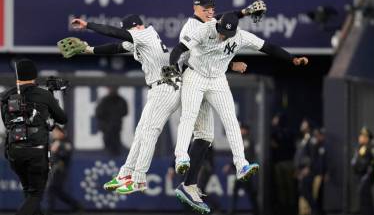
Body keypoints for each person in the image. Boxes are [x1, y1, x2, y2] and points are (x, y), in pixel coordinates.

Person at [70, 13, 245, 197]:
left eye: (127, 30)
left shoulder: (144, 33)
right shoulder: (140, 38)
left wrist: (88, 25)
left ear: (136, 27)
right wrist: (89, 50)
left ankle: (138, 179)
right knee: (141, 132)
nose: (126, 33)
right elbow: (116, 47)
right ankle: (125, 174)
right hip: (161, 87)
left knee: (149, 132)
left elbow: (115, 34)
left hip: (166, 87)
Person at [169, 12, 308, 209]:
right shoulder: (205, 29)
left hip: (217, 80)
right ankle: (181, 155)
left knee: (231, 120)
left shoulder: (241, 36)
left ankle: (241, 164)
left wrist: (291, 59)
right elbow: (179, 48)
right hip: (195, 75)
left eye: (228, 34)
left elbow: (268, 47)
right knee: (189, 116)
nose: (223, 36)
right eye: (221, 31)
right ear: (218, 24)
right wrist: (172, 66)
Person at [172, 0, 266, 213]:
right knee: (175, 122)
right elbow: (191, 51)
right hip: (187, 76)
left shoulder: (212, 23)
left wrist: (245, 12)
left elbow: (223, 24)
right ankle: (179, 160)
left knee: (206, 137)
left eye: (212, 8)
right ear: (195, 8)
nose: (210, 11)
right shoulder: (193, 28)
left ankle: (189, 185)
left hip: (208, 77)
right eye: (205, 8)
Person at [0, 59, 67, 215]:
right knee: (36, 194)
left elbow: (6, 123)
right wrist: (52, 101)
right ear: (35, 75)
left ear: (18, 77)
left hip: (14, 152)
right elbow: (63, 119)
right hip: (36, 152)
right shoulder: (44, 95)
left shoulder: (5, 96)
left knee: (29, 193)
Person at [46, 125, 83, 215]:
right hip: (53, 170)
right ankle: (76, 205)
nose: (53, 134)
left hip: (60, 170)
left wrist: (59, 146)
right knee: (56, 190)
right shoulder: (53, 142)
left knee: (53, 188)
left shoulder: (65, 142)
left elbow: (67, 151)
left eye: (55, 132)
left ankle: (50, 210)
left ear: (61, 132)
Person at [223, 124, 259, 215]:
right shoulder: (242, 140)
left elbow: (246, 156)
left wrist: (232, 165)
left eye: (242, 129)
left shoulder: (247, 140)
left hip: (245, 171)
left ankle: (257, 211)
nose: (241, 131)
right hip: (241, 171)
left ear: (246, 130)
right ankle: (232, 211)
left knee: (250, 193)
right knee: (239, 191)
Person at [351, 127, 374, 215]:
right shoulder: (360, 147)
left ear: (367, 138)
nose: (360, 138)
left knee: (365, 196)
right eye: (360, 136)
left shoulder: (371, 147)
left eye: (363, 136)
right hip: (360, 175)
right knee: (362, 196)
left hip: (367, 174)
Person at [95, 87, 128, 156]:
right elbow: (99, 113)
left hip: (116, 127)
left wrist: (115, 117)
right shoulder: (104, 101)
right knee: (108, 143)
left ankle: (116, 157)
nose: (112, 90)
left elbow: (125, 112)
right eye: (111, 89)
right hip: (106, 128)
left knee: (116, 145)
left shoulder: (120, 100)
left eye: (114, 89)